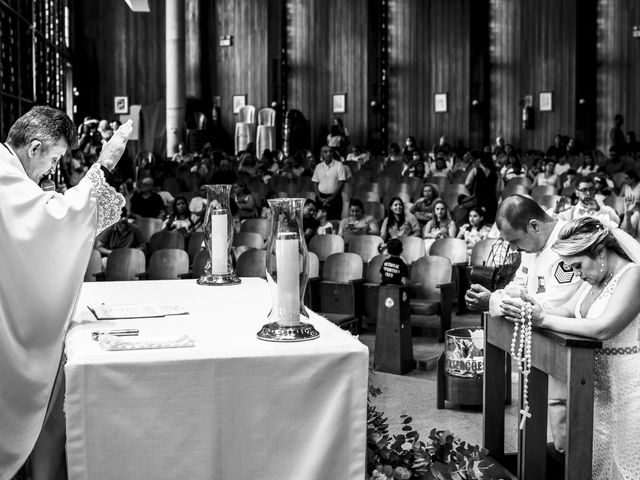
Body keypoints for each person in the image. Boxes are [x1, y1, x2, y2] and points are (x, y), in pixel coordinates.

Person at [0, 107, 132, 480]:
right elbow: (56, 218)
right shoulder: (5, 176)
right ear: (35, 148)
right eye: (54, 158)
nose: (51, 170)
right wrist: (103, 167)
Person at [500, 217, 640, 479]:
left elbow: (603, 328)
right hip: (596, 388)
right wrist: (536, 309)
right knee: (598, 460)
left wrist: (543, 319)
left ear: (599, 252)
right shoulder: (595, 280)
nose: (577, 274)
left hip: (630, 388)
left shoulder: (633, 275)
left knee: (627, 461)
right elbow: (567, 310)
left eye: (578, 266)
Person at [464, 195, 582, 453]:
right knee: (552, 403)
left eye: (516, 241)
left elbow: (554, 304)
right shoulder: (533, 246)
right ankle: (562, 456)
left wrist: (494, 301)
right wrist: (495, 297)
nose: (515, 249)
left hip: (570, 339)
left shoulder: (567, 244)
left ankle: (573, 461)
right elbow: (519, 285)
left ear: (534, 225)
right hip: (541, 337)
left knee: (563, 406)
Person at [554, 179, 620, 227]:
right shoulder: (569, 210)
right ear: (577, 192)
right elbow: (554, 226)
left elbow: (616, 222)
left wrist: (599, 210)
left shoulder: (605, 209)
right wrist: (556, 213)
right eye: (584, 190)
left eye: (591, 189)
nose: (588, 193)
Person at [312, 145, 347, 220]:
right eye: (325, 152)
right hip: (320, 198)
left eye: (330, 151)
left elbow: (341, 182)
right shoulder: (318, 166)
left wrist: (332, 197)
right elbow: (315, 183)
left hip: (335, 198)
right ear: (321, 154)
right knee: (319, 221)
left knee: (334, 221)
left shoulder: (339, 165)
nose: (328, 153)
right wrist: (319, 197)